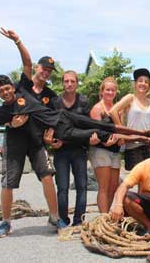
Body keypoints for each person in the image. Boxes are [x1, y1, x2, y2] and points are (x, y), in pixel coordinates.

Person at [0, 28, 59, 237]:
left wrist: (17, 41)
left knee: (48, 177)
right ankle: (5, 222)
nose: (6, 92)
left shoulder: (24, 87)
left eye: (7, 88)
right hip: (14, 146)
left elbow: (27, 63)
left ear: (12, 87)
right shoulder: (2, 111)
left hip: (36, 142)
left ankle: (55, 217)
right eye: (1, 91)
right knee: (8, 183)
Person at [51, 70, 94, 228]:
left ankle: (78, 220)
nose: (69, 84)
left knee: (81, 187)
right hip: (61, 150)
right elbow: (50, 126)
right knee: (62, 188)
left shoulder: (83, 101)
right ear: (63, 83)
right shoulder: (55, 102)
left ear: (77, 83)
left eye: (72, 81)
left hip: (79, 150)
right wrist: (52, 141)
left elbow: (88, 125)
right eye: (66, 81)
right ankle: (63, 220)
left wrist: (89, 146)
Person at [110, 68, 150, 170]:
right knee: (137, 178)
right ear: (135, 84)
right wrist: (122, 133)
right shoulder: (130, 98)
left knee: (149, 179)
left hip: (148, 144)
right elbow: (113, 111)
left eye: (146, 82)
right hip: (133, 145)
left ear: (149, 85)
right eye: (140, 81)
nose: (143, 84)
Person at [88, 77, 123, 213]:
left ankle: (107, 213)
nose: (110, 92)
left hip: (115, 149)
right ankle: (103, 217)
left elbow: (120, 128)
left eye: (113, 90)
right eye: (107, 90)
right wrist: (105, 141)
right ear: (102, 92)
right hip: (101, 149)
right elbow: (96, 130)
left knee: (113, 186)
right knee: (103, 186)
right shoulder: (97, 109)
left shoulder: (117, 109)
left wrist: (121, 139)